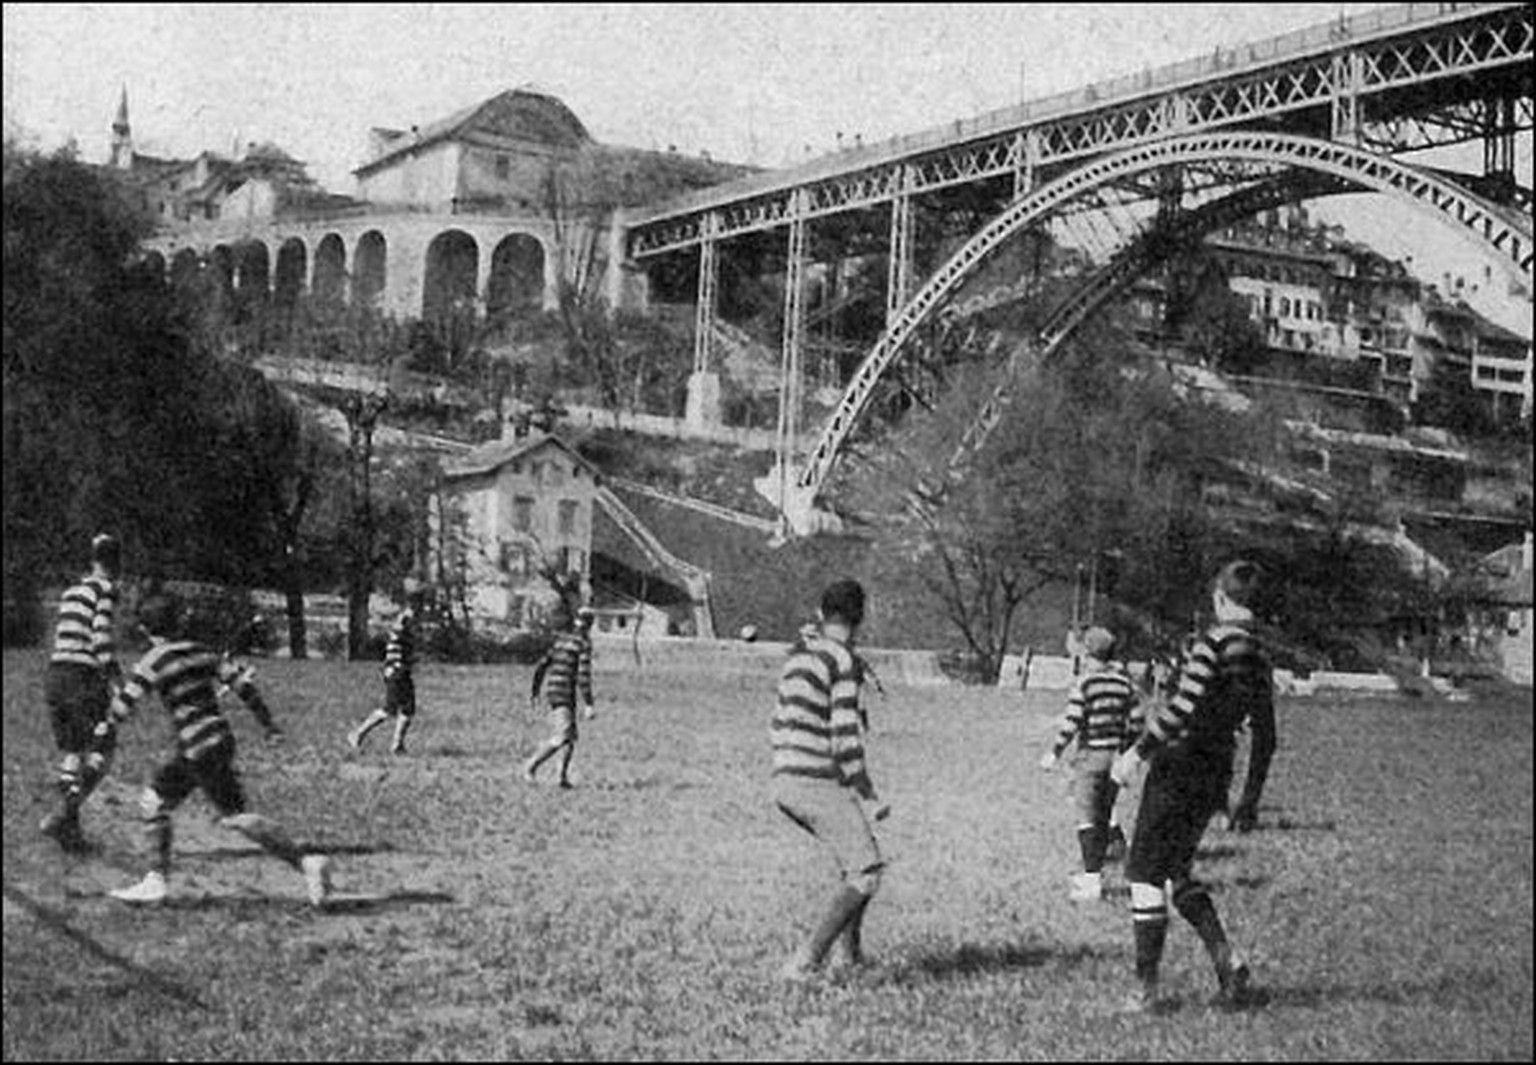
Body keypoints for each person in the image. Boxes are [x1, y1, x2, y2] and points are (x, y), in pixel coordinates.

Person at [92, 592, 332, 908]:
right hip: (219, 738)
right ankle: (156, 879)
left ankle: (305, 861)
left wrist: (102, 727)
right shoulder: (201, 651)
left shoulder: (154, 660)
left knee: (227, 815)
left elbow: (123, 707)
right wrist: (268, 724)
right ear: (178, 622)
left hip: (197, 746)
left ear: (145, 629)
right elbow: (243, 686)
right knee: (161, 802)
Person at [1111, 560, 1277, 1012]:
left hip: (1179, 766)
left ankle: (1145, 990)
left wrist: (1136, 753)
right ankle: (1228, 961)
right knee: (1176, 871)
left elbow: (1182, 707)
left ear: (1220, 599)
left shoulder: (1212, 643)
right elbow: (1267, 735)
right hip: (1216, 771)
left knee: (1144, 872)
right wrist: (1249, 801)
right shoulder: (1260, 656)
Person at [772, 579, 889, 982]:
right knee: (866, 871)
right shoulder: (842, 662)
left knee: (853, 860)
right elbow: (844, 739)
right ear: (860, 618)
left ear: (821, 614)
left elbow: (776, 722)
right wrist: (868, 795)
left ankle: (850, 956)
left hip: (784, 776)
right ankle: (805, 962)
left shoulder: (799, 656)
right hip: (815, 777)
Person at [1040, 626, 1144, 902]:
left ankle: (1091, 881)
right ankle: (1111, 871)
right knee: (1104, 815)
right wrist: (1125, 751)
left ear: (1087, 652)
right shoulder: (1126, 684)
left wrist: (1054, 751)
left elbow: (1072, 722)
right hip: (1116, 759)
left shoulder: (1085, 683)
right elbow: (1137, 723)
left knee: (1086, 817)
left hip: (1091, 757)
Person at [39, 533, 122, 854]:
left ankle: (68, 829)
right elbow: (100, 636)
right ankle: (62, 816)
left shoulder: (71, 591)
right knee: (104, 749)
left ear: (92, 559)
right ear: (116, 563)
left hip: (56, 676)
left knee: (73, 751)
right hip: (82, 678)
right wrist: (115, 679)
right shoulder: (106, 589)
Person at [522, 604, 596, 789]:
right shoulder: (583, 643)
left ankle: (561, 778)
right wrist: (588, 703)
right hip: (563, 693)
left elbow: (541, 665)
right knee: (562, 737)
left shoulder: (561, 641)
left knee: (570, 738)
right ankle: (530, 767)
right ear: (590, 624)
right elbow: (583, 674)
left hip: (554, 691)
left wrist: (535, 691)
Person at [348, 601, 419, 755]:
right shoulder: (400, 630)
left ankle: (397, 745)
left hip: (402, 673)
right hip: (397, 673)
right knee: (389, 710)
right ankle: (358, 733)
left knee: (408, 710)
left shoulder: (404, 631)